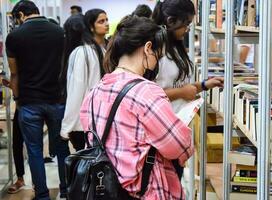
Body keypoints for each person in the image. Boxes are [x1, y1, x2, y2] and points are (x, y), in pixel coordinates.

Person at [80, 15, 193, 199]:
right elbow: (179, 146)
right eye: (159, 55)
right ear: (148, 48)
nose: (157, 62)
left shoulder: (96, 90)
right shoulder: (146, 92)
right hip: (144, 190)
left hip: (105, 189)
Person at [152, 0, 224, 178]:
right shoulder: (153, 48)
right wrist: (181, 93)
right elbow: (146, 96)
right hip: (161, 133)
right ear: (170, 21)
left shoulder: (175, 46)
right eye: (186, 24)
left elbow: (181, 85)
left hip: (179, 129)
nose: (188, 29)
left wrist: (205, 85)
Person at [5, 1, 70, 199]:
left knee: (34, 151)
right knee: (61, 149)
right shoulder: (59, 32)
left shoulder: (14, 37)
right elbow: (64, 67)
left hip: (29, 102)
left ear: (21, 15)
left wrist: (17, 98)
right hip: (56, 99)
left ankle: (42, 195)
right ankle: (65, 191)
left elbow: (14, 74)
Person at [60, 9, 109, 151]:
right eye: (101, 21)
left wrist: (66, 127)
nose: (106, 24)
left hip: (86, 123)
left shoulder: (84, 52)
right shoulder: (89, 52)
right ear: (91, 27)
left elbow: (76, 91)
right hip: (98, 120)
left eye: (106, 20)